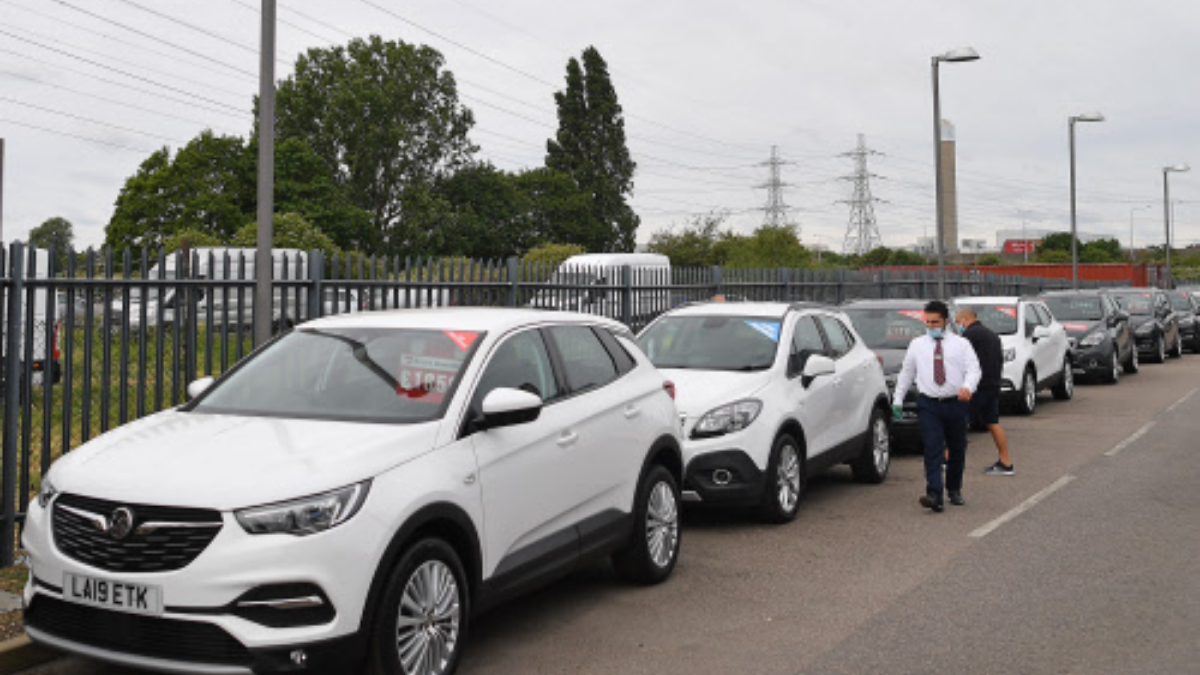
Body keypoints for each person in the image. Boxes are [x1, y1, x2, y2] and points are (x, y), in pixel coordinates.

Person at [893, 300, 981, 512]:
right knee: (932, 448)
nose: (931, 326)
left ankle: (954, 488)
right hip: (929, 404)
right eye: (928, 322)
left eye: (935, 322)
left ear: (946, 322)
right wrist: (897, 399)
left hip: (955, 403)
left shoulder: (961, 344)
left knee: (957, 448)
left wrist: (968, 387)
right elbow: (907, 373)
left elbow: (974, 369)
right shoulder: (917, 345)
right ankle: (935, 494)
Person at [956, 306, 1014, 475]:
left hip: (976, 387)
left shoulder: (969, 336)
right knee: (993, 422)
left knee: (958, 422)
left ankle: (949, 459)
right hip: (993, 384)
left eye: (958, 322)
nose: (958, 325)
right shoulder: (993, 335)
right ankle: (1006, 462)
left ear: (966, 319)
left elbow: (963, 362)